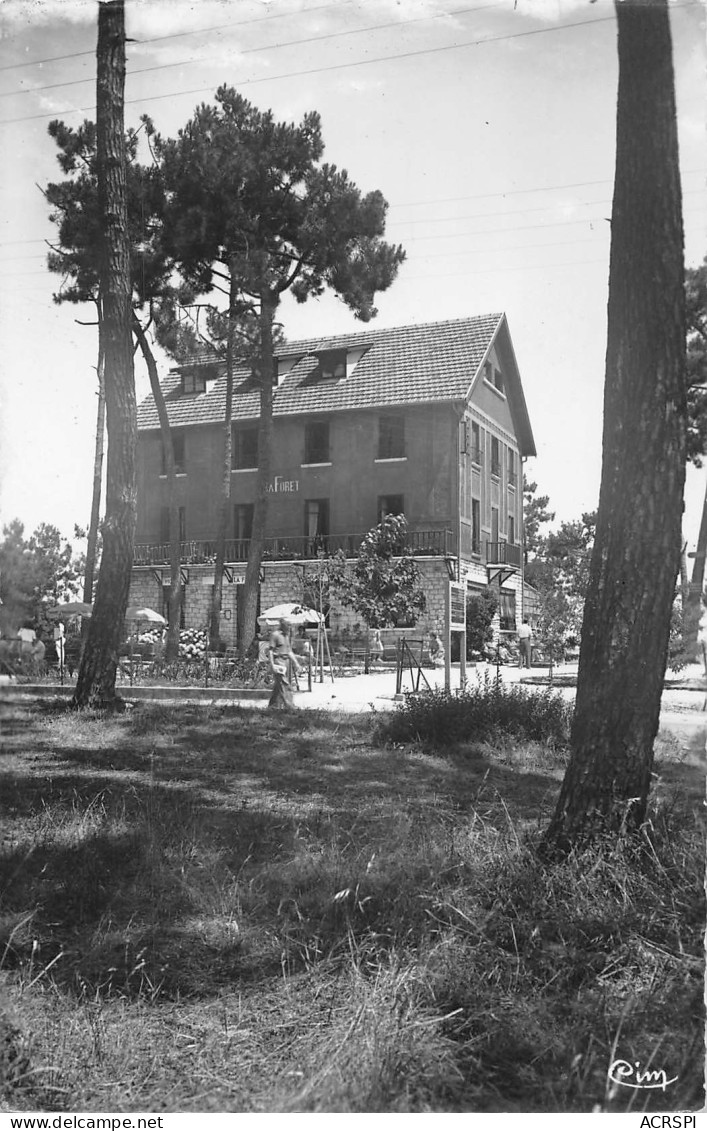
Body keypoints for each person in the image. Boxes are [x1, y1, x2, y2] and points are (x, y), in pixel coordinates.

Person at [267, 618, 300, 709]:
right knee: (284, 683)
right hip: (278, 661)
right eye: (288, 625)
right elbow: (270, 651)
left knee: (279, 684)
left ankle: (273, 705)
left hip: (286, 661)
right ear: (283, 625)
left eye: (290, 625)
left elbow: (289, 651)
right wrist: (272, 664)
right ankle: (290, 706)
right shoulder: (275, 635)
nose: (290, 627)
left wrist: (296, 663)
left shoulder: (286, 636)